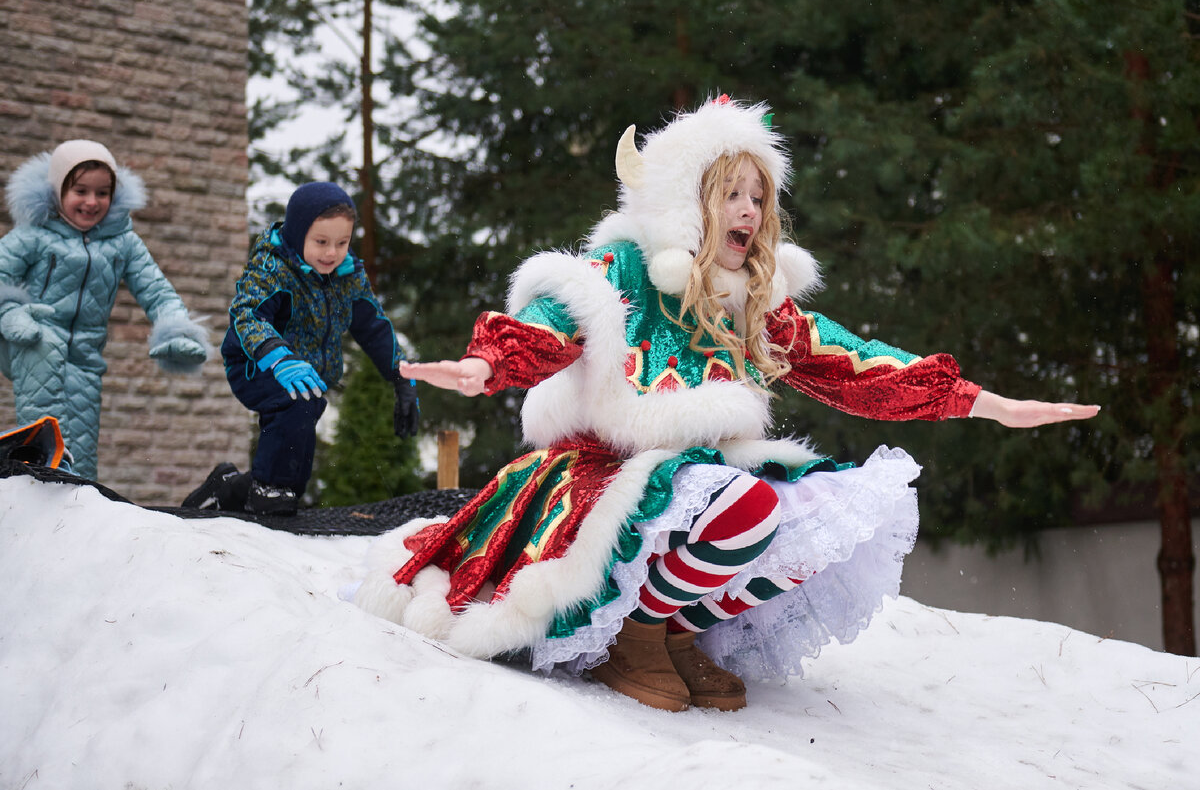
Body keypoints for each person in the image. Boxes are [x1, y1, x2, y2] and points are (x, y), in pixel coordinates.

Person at [348, 98, 1100, 712]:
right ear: (688, 202)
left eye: (758, 196)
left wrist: (983, 402)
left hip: (707, 468)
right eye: (730, 193)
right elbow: (554, 322)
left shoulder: (755, 304)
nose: (748, 211)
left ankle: (674, 634)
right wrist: (488, 362)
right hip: (608, 472)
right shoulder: (627, 270)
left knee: (827, 522)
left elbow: (860, 364)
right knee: (745, 509)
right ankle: (635, 637)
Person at [186, 182, 419, 516]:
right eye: (321, 242)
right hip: (256, 362)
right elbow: (247, 313)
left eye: (342, 242)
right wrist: (278, 356)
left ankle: (234, 487)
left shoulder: (347, 274)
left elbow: (373, 326)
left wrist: (401, 375)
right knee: (296, 406)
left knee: (295, 460)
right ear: (297, 234)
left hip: (307, 371)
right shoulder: (273, 266)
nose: (331, 253)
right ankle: (266, 491)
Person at [0, 140, 208, 480]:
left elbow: (156, 289)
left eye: (102, 192)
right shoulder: (33, 236)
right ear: (56, 190)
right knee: (44, 349)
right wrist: (10, 311)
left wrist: (177, 327)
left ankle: (78, 498)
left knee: (80, 447)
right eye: (80, 190)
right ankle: (44, 465)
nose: (91, 202)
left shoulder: (122, 242)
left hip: (84, 358)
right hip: (25, 338)